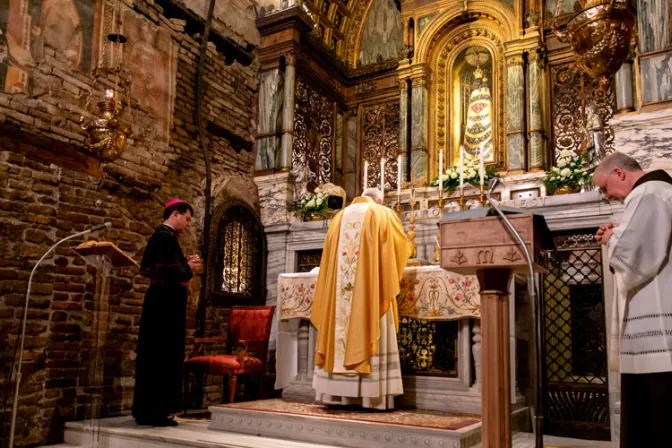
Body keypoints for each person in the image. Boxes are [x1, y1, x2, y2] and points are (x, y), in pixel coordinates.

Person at [593, 153, 672, 447]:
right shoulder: (659, 192)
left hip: (659, 313)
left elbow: (638, 257)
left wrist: (611, 240)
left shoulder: (649, 193)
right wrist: (616, 235)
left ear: (620, 173)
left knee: (656, 406)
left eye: (605, 187)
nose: (606, 195)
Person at [310, 187, 411, 410]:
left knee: (338, 326)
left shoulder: (337, 218)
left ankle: (335, 395)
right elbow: (401, 246)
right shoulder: (382, 213)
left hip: (338, 295)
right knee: (371, 321)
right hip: (370, 293)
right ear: (379, 199)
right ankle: (371, 397)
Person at [132, 199, 202, 426]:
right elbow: (170, 273)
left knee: (154, 355)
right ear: (175, 215)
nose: (189, 224)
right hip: (165, 306)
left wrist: (184, 263)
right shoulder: (164, 238)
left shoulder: (165, 239)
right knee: (162, 355)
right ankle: (157, 411)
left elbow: (167, 267)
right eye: (188, 218)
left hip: (161, 303)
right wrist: (188, 268)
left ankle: (148, 409)